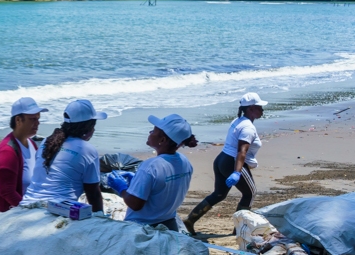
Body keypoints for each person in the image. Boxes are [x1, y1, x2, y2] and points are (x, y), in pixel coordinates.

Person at [184, 93, 267, 234]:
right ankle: (239, 230)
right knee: (250, 194)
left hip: (221, 159)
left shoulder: (238, 120)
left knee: (219, 194)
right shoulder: (248, 128)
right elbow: (241, 152)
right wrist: (237, 172)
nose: (262, 110)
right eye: (259, 107)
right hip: (233, 163)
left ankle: (190, 220)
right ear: (251, 108)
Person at [107, 114, 198, 230]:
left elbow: (135, 205)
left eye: (154, 131)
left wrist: (121, 188)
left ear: (162, 140)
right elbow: (162, 189)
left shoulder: (151, 166)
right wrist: (137, 181)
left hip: (143, 227)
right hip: (168, 223)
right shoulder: (184, 161)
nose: (150, 132)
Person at [26, 99, 107, 212]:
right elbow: (93, 193)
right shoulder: (87, 150)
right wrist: (100, 219)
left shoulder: (47, 142)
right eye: (94, 124)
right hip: (58, 209)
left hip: (28, 203)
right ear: (88, 126)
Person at [0, 96, 48, 213]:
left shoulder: (31, 144)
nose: (37, 123)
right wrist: (29, 212)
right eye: (32, 119)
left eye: (38, 119)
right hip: (0, 217)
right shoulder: (7, 152)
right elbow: (7, 192)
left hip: (22, 210)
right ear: (18, 120)